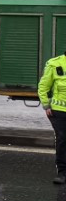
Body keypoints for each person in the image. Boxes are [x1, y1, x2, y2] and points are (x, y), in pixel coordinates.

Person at [39, 50, 66, 184]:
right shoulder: (55, 63)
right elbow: (43, 86)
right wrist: (46, 105)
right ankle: (62, 173)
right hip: (59, 111)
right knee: (62, 139)